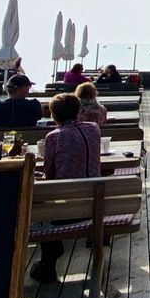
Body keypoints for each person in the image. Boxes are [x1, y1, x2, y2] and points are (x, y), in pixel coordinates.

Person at [31, 93, 101, 284]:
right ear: (78, 110)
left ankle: (49, 260)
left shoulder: (54, 136)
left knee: (39, 202)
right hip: (95, 203)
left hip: (67, 210)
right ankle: (51, 255)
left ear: (53, 114)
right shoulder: (93, 129)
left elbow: (49, 172)